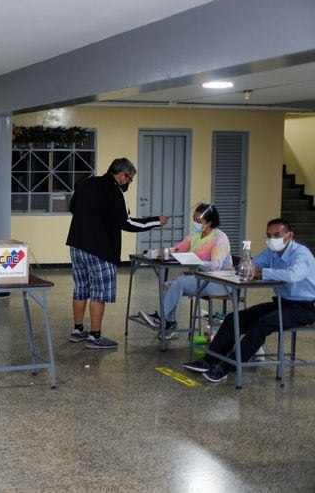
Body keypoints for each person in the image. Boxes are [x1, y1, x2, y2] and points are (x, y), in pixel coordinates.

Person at [183, 218, 315, 383]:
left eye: (277, 235)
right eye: (269, 235)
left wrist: (263, 273)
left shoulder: (301, 254)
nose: (272, 239)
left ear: (289, 236)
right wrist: (238, 269)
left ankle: (227, 367)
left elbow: (292, 275)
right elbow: (251, 265)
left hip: (305, 307)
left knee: (261, 325)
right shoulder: (271, 252)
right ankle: (209, 360)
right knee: (234, 318)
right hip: (282, 303)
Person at [66, 157, 168, 349]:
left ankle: (78, 330)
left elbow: (73, 208)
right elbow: (126, 223)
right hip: (100, 250)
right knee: (99, 293)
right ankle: (95, 337)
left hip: (76, 245)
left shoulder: (86, 183)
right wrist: (155, 221)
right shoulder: (114, 191)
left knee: (80, 288)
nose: (128, 183)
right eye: (129, 179)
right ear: (122, 175)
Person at [138, 203, 232, 338]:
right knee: (167, 285)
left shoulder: (220, 238)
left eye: (199, 221)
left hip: (220, 282)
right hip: (202, 278)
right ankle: (170, 323)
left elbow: (215, 266)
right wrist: (164, 252)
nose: (195, 223)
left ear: (210, 222)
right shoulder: (196, 235)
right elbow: (179, 248)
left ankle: (160, 317)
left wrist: (195, 260)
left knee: (180, 281)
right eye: (194, 220)